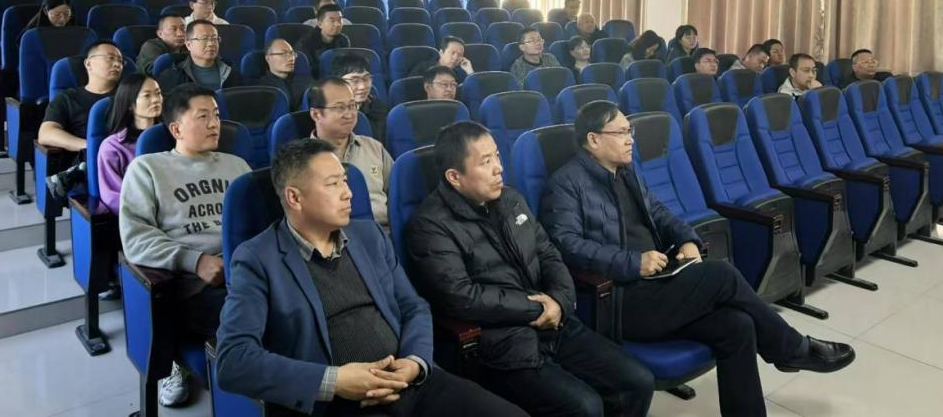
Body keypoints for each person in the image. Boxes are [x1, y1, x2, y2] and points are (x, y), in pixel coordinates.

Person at [541, 101, 856, 416]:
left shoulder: (626, 172)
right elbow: (567, 245)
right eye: (621, 132)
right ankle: (792, 349)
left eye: (630, 130)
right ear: (594, 139)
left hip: (657, 285)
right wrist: (632, 262)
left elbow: (659, 213)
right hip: (620, 300)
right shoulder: (566, 183)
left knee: (738, 325)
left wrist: (687, 238)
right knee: (722, 274)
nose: (630, 139)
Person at [215, 138, 527, 417]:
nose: (348, 193)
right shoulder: (257, 259)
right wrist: (335, 381)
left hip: (409, 382)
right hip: (337, 404)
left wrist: (415, 362)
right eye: (333, 184)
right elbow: (233, 361)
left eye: (345, 180)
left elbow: (413, 306)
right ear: (295, 198)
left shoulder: (368, 235)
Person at [405, 121, 655, 417]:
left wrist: (560, 301)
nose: (499, 168)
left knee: (637, 382)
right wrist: (537, 308)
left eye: (497, 156)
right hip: (502, 341)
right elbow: (462, 296)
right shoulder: (430, 226)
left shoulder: (510, 199)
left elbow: (548, 253)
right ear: (454, 177)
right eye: (486, 162)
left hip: (555, 323)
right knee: (585, 407)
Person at [119, 84, 251, 407]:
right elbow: (136, 238)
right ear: (176, 129)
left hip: (246, 271)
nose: (214, 123)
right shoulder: (148, 169)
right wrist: (196, 260)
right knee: (256, 322)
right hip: (193, 284)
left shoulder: (237, 166)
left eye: (216, 115)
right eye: (203, 116)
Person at [42, 40, 124, 198]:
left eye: (120, 61)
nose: (117, 64)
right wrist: (90, 146)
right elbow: (46, 133)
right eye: (110, 58)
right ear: (88, 63)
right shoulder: (68, 98)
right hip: (91, 157)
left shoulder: (129, 96)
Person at [309, 78, 393, 229]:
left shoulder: (374, 147)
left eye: (352, 106)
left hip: (383, 232)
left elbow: (398, 195)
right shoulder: (303, 161)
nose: (349, 114)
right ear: (316, 114)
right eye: (339, 108)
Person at [96, 74, 163, 214]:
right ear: (130, 105)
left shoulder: (174, 136)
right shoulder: (113, 147)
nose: (156, 99)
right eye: (147, 95)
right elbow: (113, 196)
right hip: (140, 216)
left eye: (158, 93)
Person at [156, 20, 240, 95]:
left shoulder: (231, 72)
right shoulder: (172, 76)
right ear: (189, 44)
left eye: (214, 38)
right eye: (204, 38)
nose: (211, 44)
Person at [331, 53, 388, 143]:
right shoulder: (330, 114)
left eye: (366, 78)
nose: (362, 86)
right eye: (354, 80)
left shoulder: (379, 109)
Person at [253, 38, 312, 111]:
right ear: (268, 58)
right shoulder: (264, 88)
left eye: (292, 53)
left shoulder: (304, 80)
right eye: (283, 54)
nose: (291, 58)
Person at [299, 4, 351, 78]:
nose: (338, 24)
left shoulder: (343, 40)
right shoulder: (306, 43)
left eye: (340, 20)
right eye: (332, 21)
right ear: (320, 24)